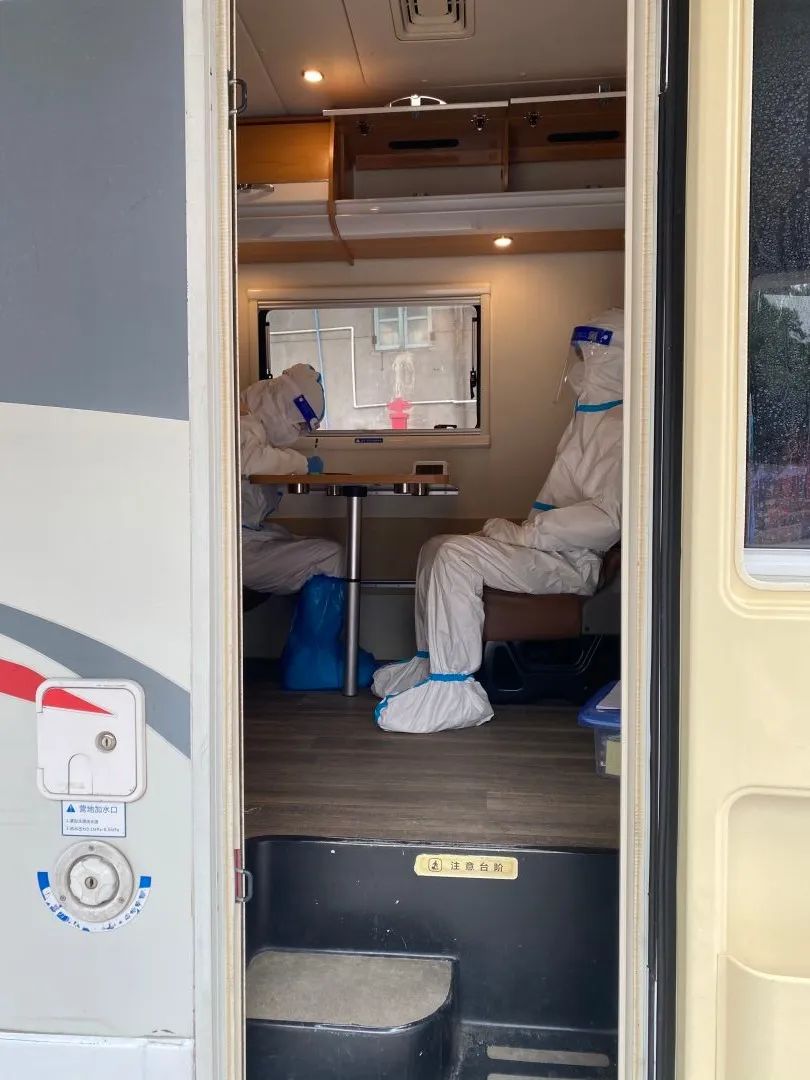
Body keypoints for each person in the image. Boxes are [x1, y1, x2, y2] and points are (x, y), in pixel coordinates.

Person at [372, 308, 624, 734]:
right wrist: (525, 535)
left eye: (588, 355)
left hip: (576, 561)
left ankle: (455, 691)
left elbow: (608, 519)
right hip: (553, 549)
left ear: (612, 360)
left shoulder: (621, 426)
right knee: (435, 546)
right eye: (578, 354)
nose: (579, 366)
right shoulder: (589, 420)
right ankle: (430, 666)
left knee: (455, 554)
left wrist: (529, 534)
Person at [240, 364, 343, 594]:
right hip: (232, 548)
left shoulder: (256, 427)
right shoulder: (240, 421)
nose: (298, 433)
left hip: (247, 536)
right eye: (299, 426)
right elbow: (251, 461)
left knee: (317, 547)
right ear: (283, 405)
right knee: (330, 556)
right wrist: (302, 465)